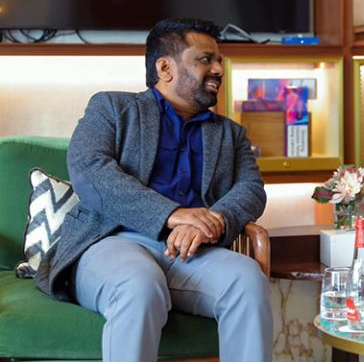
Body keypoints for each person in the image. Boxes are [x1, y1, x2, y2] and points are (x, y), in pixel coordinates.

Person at [34, 18, 272, 362]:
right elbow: (90, 170)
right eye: (206, 59)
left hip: (194, 252)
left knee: (247, 280)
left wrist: (213, 220)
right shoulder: (113, 108)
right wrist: (173, 215)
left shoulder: (230, 134)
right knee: (139, 284)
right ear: (165, 67)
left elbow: (251, 189)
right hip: (111, 243)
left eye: (219, 60)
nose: (219, 69)